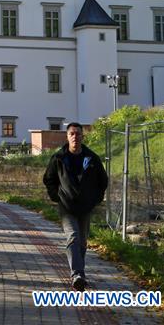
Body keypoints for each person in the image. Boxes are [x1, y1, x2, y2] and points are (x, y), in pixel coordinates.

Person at [43, 122, 108, 292]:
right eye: (72, 134)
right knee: (73, 237)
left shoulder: (92, 158)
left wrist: (95, 199)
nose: (75, 137)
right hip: (67, 206)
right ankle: (77, 275)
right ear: (67, 136)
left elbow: (103, 181)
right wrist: (56, 196)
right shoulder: (59, 158)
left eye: (78, 134)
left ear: (82, 136)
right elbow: (48, 179)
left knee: (83, 242)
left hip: (85, 207)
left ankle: (80, 273)